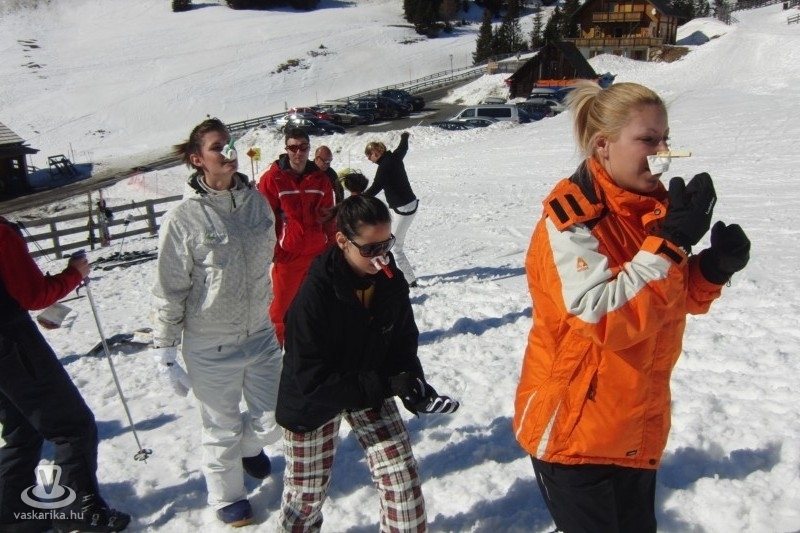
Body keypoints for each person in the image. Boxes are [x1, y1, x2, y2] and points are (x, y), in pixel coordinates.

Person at [513, 81, 751, 533]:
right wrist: (671, 245)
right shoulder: (570, 222)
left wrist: (712, 269)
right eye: (648, 140)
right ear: (603, 145)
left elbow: (659, 302)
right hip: (574, 431)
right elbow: (603, 317)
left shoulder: (652, 211)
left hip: (634, 423)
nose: (663, 153)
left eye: (665, 139)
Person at [276, 195, 459, 532]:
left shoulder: (389, 279)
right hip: (314, 399)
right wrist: (385, 384)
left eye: (386, 245)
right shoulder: (314, 296)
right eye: (370, 249)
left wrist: (409, 380)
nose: (381, 257)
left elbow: (402, 339)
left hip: (367, 383)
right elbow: (310, 380)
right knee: (305, 496)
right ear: (342, 241)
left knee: (401, 479)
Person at [152, 118, 283, 527]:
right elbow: (170, 288)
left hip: (259, 333)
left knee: (276, 420)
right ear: (197, 160)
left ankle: (250, 447)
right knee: (220, 425)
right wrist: (165, 350)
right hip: (210, 344)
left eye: (230, 143)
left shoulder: (257, 203)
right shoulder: (184, 218)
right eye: (216, 147)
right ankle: (228, 497)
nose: (228, 152)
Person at [0, 220, 130, 532]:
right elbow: (34, 295)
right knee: (72, 426)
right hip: (11, 341)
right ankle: (80, 513)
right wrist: (74, 273)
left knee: (22, 428)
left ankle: (12, 515)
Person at [257, 128, 336, 345]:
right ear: (286, 149)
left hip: (316, 254)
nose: (298, 152)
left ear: (309, 149)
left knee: (315, 305)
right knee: (280, 310)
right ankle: (275, 351)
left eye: (303, 147)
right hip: (288, 255)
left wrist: (330, 247)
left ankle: (311, 349)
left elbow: (329, 216)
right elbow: (264, 219)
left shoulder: (320, 179)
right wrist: (274, 250)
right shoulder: (273, 179)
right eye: (293, 147)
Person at [363, 132, 419, 287]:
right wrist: (404, 137)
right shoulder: (394, 157)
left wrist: (359, 198)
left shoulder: (384, 166)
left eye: (369, 156)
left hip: (403, 210)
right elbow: (403, 148)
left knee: (394, 247)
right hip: (409, 206)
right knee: (387, 241)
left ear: (375, 153)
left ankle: (410, 281)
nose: (369, 159)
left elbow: (376, 187)